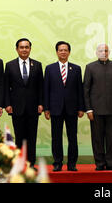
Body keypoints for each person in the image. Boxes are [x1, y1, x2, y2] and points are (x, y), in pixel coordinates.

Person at [44, 41, 84, 172]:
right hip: (55, 108)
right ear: (56, 52)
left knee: (72, 137)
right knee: (56, 137)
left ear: (69, 52)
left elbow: (80, 90)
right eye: (60, 50)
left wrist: (81, 107)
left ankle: (72, 163)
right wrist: (46, 108)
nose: (63, 52)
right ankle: (57, 162)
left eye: (65, 50)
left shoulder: (76, 69)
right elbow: (46, 89)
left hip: (72, 108)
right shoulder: (50, 69)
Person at [84, 44, 112, 171]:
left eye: (106, 50)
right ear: (97, 53)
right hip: (95, 110)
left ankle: (111, 163)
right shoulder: (90, 67)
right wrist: (88, 109)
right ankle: (100, 163)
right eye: (101, 50)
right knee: (97, 138)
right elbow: (86, 89)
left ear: (109, 52)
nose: (104, 52)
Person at [4, 38, 44, 168]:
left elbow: (40, 87)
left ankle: (31, 163)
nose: (24, 49)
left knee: (32, 137)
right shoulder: (10, 65)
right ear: (17, 49)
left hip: (33, 107)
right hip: (16, 107)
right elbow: (6, 87)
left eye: (27, 47)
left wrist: (41, 104)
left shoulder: (37, 65)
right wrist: (8, 104)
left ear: (30, 49)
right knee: (19, 136)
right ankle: (20, 163)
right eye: (21, 47)